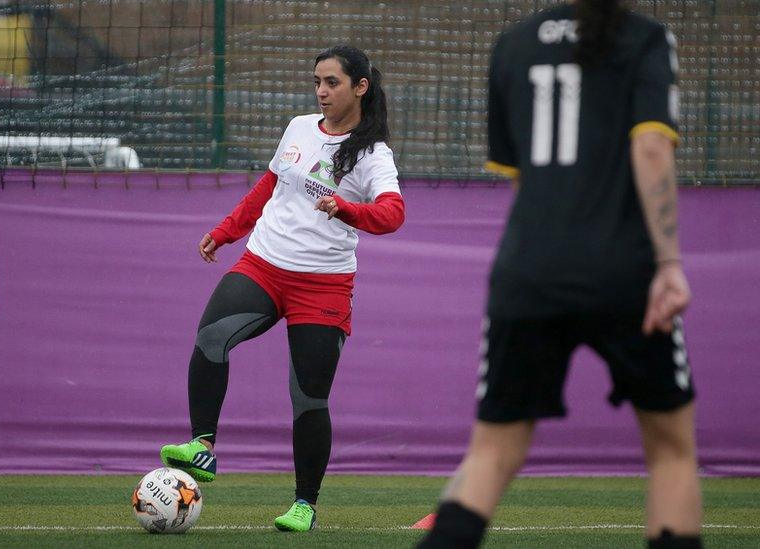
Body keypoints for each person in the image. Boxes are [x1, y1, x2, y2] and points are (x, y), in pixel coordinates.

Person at [419, 1, 701, 548]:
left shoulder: (513, 45)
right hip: (626, 276)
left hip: (530, 272)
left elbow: (521, 178)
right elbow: (650, 148)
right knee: (671, 453)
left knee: (491, 455)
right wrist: (669, 263)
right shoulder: (645, 38)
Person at [159, 45, 405, 532]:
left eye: (332, 82)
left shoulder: (374, 154)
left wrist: (347, 208)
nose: (320, 91)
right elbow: (268, 186)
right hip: (264, 265)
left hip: (324, 286)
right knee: (211, 338)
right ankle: (201, 448)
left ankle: (304, 506)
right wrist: (227, 230)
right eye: (317, 81)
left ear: (360, 87)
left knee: (309, 399)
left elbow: (393, 214)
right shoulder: (298, 126)